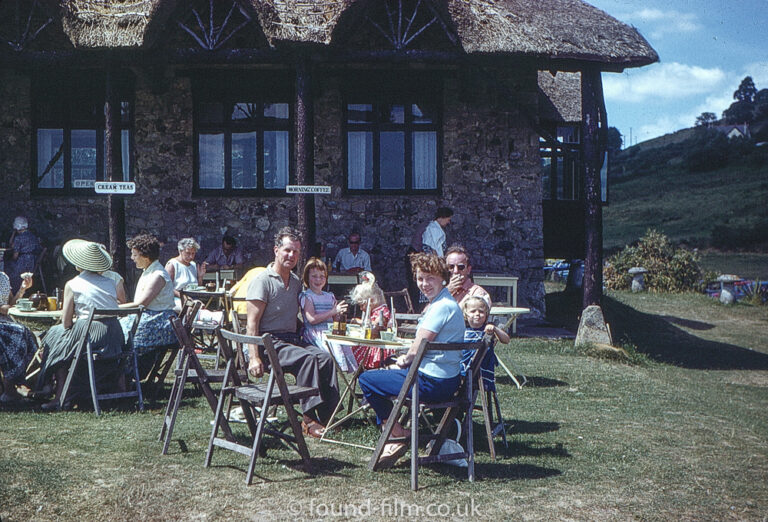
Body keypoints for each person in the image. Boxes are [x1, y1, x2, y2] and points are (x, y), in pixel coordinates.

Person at [358, 252, 465, 467]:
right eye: (420, 278)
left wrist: (402, 360)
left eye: (430, 278)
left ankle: (397, 434)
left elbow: (417, 349)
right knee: (386, 372)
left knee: (368, 379)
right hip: (448, 379)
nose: (424, 284)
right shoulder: (445, 303)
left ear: (442, 278)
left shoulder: (440, 307)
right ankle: (397, 433)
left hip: (431, 383)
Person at [245, 227, 340, 438]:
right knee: (306, 359)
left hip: (292, 340)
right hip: (269, 343)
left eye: (296, 252)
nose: (291, 255)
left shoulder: (296, 282)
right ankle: (308, 418)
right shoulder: (262, 281)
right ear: (276, 250)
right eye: (287, 250)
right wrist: (253, 357)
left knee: (324, 358)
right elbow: (251, 324)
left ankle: (328, 415)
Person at [37, 240, 124, 410]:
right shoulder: (109, 282)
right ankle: (65, 391)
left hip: (93, 335)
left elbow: (67, 322)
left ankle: (60, 394)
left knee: (56, 337)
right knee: (58, 336)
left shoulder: (73, 284)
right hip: (114, 335)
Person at [120, 234, 177, 375]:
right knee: (118, 329)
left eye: (135, 255)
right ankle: (120, 376)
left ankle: (126, 376)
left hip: (159, 320)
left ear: (145, 257)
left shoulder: (157, 275)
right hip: (149, 316)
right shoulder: (149, 271)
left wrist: (114, 308)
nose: (132, 258)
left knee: (125, 335)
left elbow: (142, 303)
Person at [298, 258, 352, 371]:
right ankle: (335, 369)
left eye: (322, 276)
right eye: (314, 276)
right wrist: (333, 311)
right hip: (316, 333)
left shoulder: (329, 296)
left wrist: (339, 313)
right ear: (307, 277)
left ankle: (348, 369)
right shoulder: (307, 296)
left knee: (345, 344)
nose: (318, 279)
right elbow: (312, 319)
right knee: (330, 354)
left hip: (331, 331)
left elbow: (335, 319)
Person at [0, 272, 37, 403]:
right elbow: (5, 308)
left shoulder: (3, 277)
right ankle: (10, 387)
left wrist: (22, 289)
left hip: (7, 321)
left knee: (27, 333)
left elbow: (11, 303)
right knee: (18, 333)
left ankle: (29, 382)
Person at [460, 296, 509, 393]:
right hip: (463, 367)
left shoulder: (486, 330)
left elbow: (506, 340)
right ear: (466, 314)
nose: (477, 314)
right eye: (473, 311)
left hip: (480, 372)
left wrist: (494, 329)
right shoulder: (462, 331)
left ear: (486, 314)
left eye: (481, 312)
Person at [406, 207, 453, 308]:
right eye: (448, 219)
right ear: (443, 217)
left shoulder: (435, 228)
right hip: (424, 260)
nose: (448, 223)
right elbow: (431, 248)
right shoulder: (432, 229)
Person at [348, 274, 393, 370]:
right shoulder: (372, 312)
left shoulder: (382, 311)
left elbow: (376, 325)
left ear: (371, 301)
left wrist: (359, 322)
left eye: (361, 305)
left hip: (378, 346)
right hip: (370, 343)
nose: (361, 308)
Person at [445, 244, 491, 309]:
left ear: (468, 270)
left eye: (461, 267)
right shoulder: (440, 291)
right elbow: (427, 313)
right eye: (451, 267)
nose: (455, 271)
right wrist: (446, 292)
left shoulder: (478, 293)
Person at [165, 237, 203, 311]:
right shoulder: (172, 264)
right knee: (190, 309)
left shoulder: (193, 265)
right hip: (176, 298)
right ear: (180, 251)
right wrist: (183, 297)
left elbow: (197, 288)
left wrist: (200, 277)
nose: (191, 256)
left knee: (201, 308)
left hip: (192, 298)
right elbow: (168, 287)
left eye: (193, 253)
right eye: (188, 253)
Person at [6, 216, 41, 294]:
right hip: (32, 262)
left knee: (7, 266)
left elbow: (15, 256)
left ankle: (12, 292)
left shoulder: (18, 238)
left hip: (23, 263)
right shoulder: (32, 236)